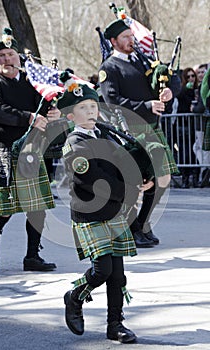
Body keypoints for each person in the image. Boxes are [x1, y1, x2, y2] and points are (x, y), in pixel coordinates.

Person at [57, 71, 154, 343]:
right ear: (70, 116)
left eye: (93, 106)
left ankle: (115, 325)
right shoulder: (75, 144)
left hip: (114, 211)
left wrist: (140, 176)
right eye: (82, 108)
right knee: (103, 270)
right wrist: (130, 190)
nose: (90, 111)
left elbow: (123, 163)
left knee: (117, 275)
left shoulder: (105, 135)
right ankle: (74, 296)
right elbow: (94, 181)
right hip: (90, 214)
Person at [0, 28, 58, 271]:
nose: (7, 60)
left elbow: (42, 105)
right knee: (5, 207)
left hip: (32, 150)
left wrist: (52, 111)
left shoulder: (30, 80)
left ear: (18, 57)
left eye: (10, 54)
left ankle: (32, 256)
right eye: (1, 56)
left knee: (37, 208)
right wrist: (29, 118)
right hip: (4, 150)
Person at [99, 19, 180, 247]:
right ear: (113, 41)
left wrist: (169, 93)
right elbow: (111, 101)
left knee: (162, 179)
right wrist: (146, 105)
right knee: (136, 180)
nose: (130, 40)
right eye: (125, 37)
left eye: (131, 36)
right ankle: (131, 227)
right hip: (129, 131)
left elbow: (171, 76)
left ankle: (143, 223)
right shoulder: (110, 68)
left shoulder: (144, 60)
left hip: (152, 128)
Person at [176, 67, 199, 188]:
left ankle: (195, 178)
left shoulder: (198, 90)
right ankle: (185, 179)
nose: (191, 78)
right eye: (188, 76)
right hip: (183, 125)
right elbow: (178, 96)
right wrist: (186, 89)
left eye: (193, 76)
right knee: (185, 153)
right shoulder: (182, 90)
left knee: (195, 152)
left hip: (196, 126)